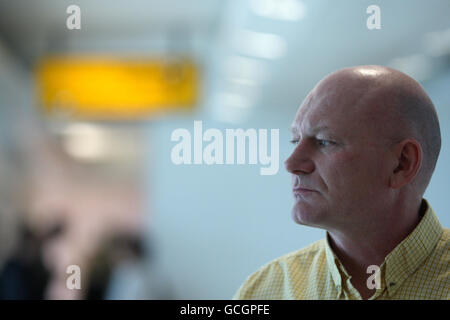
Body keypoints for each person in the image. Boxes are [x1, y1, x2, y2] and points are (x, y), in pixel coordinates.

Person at [233, 65, 449, 300]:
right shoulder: (263, 291)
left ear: (401, 163)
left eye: (325, 142)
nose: (291, 163)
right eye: (295, 140)